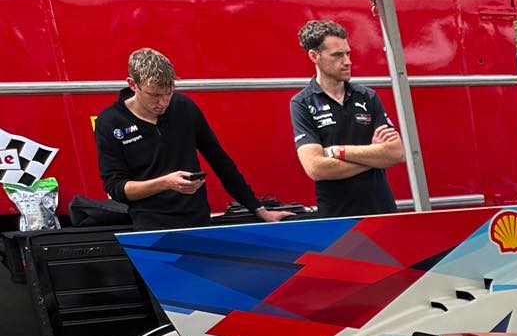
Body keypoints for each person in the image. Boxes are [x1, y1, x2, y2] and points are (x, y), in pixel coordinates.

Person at [95, 48, 287, 229]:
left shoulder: (184, 107)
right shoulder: (110, 121)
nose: (163, 102)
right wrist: (165, 183)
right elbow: (115, 188)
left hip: (198, 220)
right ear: (132, 84)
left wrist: (258, 208)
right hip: (151, 227)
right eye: (154, 95)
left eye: (169, 93)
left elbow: (220, 161)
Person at [290, 20, 403, 218]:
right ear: (314, 56)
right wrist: (375, 157)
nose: (348, 62)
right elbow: (316, 168)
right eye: (337, 55)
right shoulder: (302, 103)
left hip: (382, 212)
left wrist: (337, 151)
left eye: (348, 54)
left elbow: (396, 153)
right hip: (337, 218)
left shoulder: (367, 96)